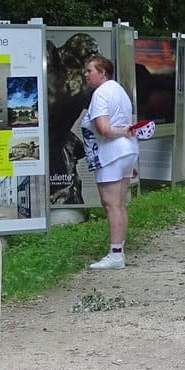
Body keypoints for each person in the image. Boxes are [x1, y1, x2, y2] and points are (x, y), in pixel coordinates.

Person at [80, 54, 139, 268]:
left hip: (111, 153)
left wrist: (120, 132)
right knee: (119, 204)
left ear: (102, 72)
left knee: (111, 204)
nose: (86, 75)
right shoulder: (118, 90)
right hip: (127, 151)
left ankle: (115, 255)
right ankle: (118, 250)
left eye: (90, 71)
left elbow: (103, 129)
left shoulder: (101, 94)